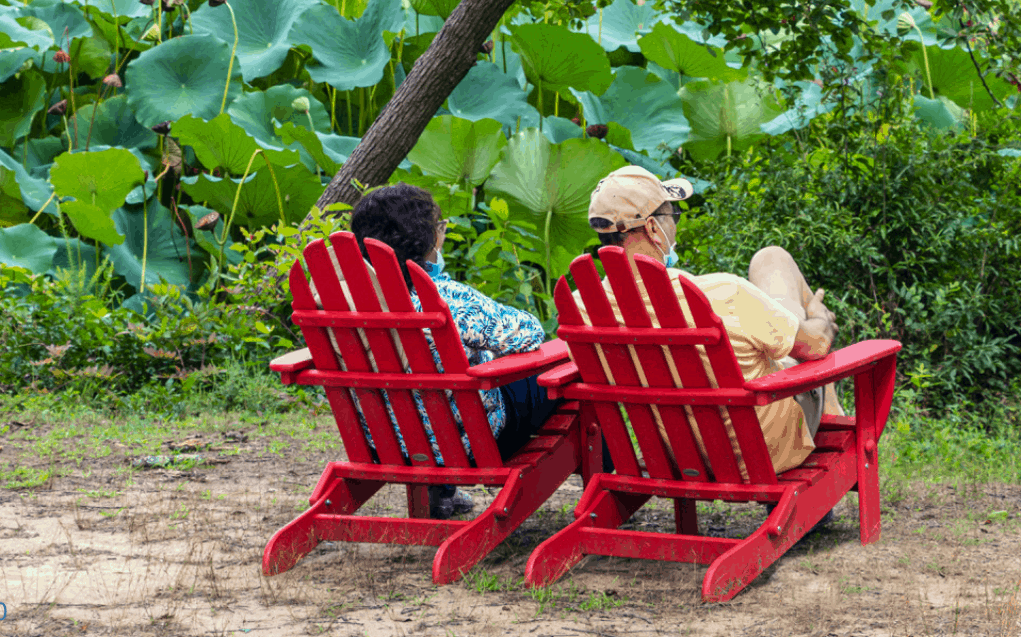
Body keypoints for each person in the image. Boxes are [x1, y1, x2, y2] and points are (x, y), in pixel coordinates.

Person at [579, 166, 843, 477]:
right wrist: (821, 318)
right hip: (762, 449)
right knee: (776, 270)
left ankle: (796, 321)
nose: (675, 224)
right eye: (672, 214)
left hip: (675, 454)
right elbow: (816, 347)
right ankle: (833, 414)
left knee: (773, 275)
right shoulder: (721, 293)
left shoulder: (584, 307)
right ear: (652, 228)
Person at [350, 183, 559, 518]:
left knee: (430, 391)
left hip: (386, 442)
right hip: (470, 445)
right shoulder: (447, 298)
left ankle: (440, 493)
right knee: (556, 377)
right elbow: (529, 333)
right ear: (427, 239)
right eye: (440, 226)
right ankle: (609, 485)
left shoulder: (346, 304)